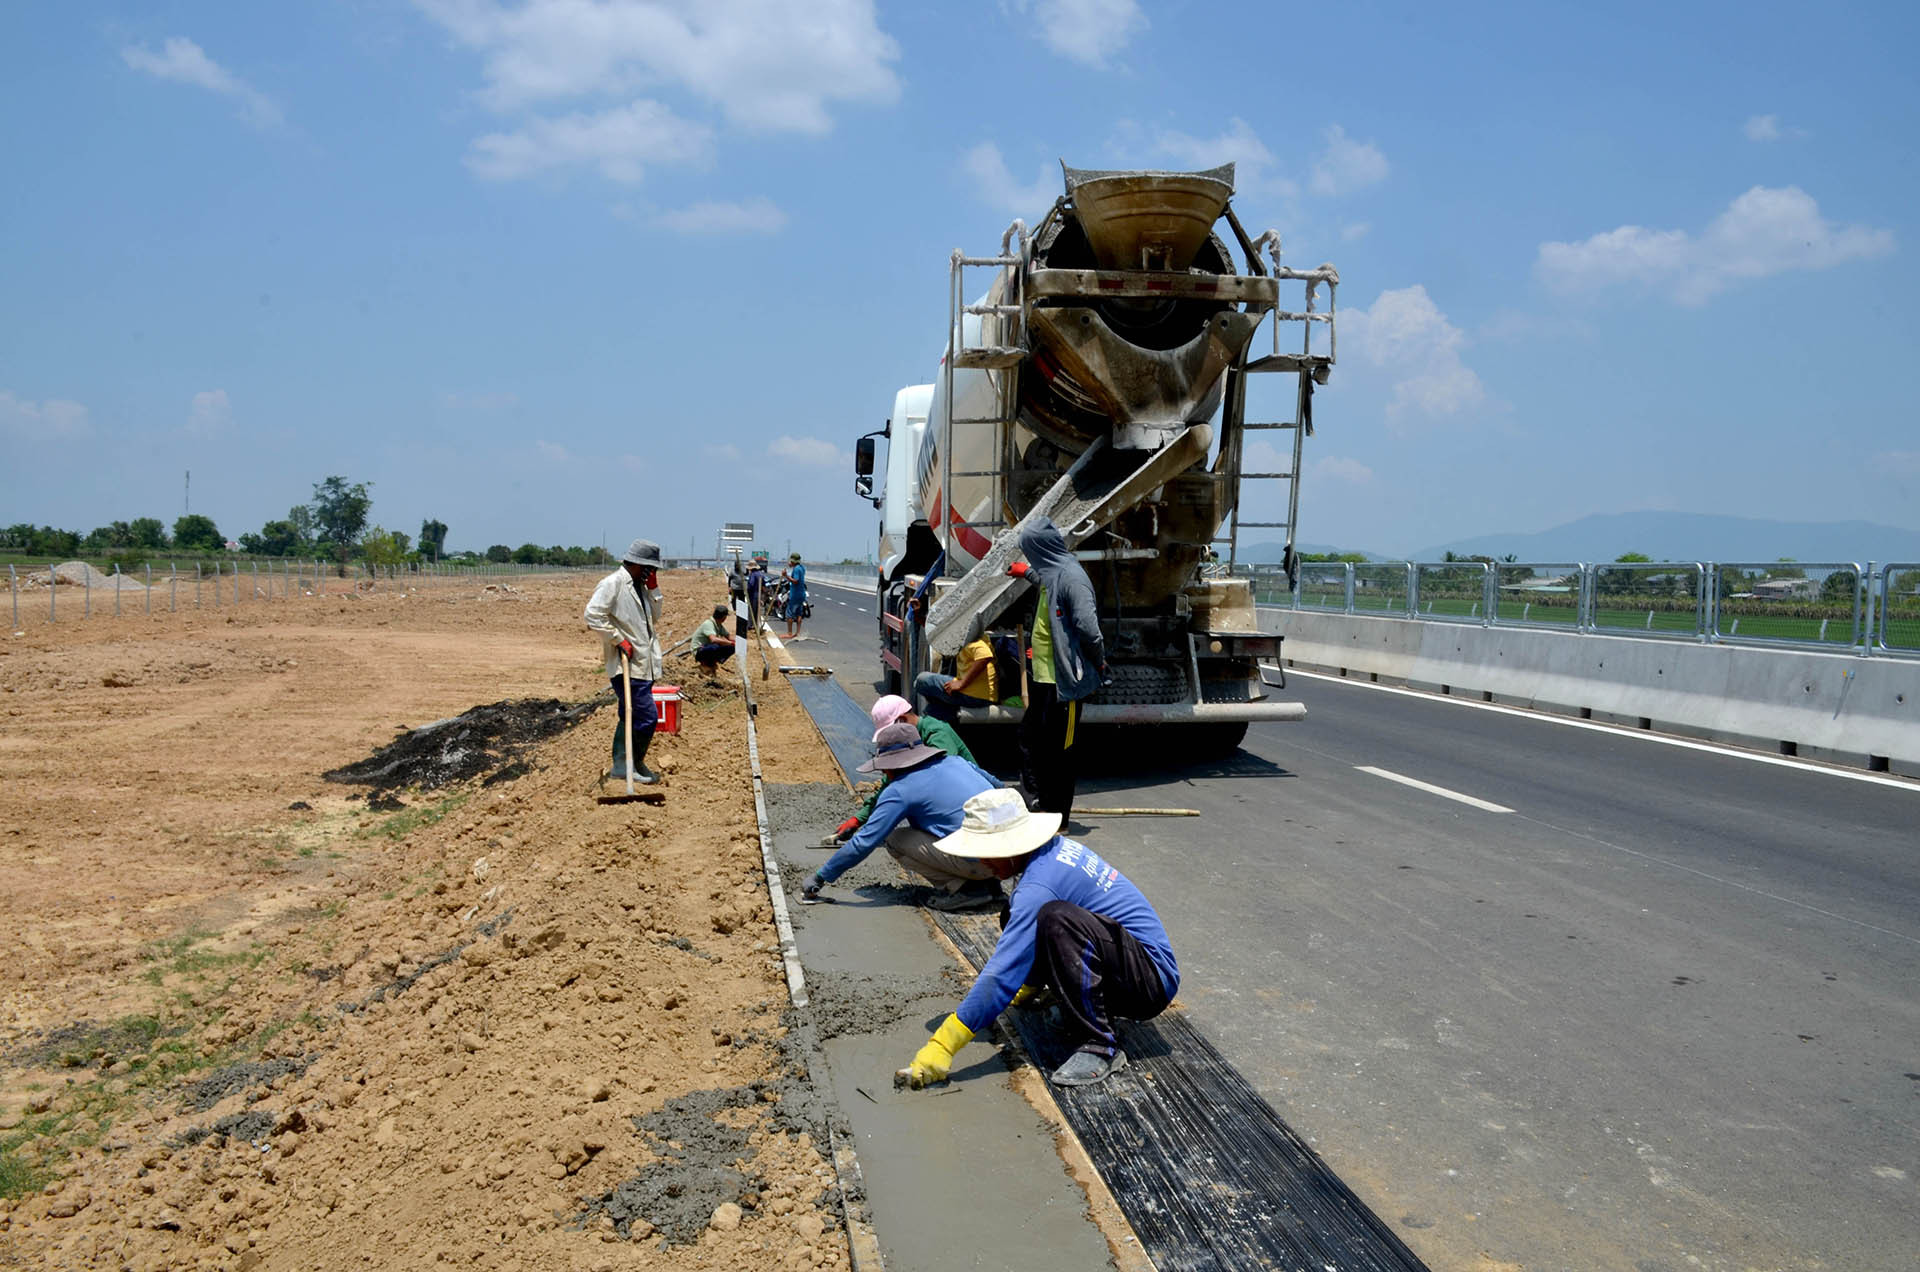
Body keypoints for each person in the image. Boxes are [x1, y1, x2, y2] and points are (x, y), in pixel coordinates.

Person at [900, 788, 1178, 1089]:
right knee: (1017, 915)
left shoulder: (1042, 885)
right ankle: (1067, 1003)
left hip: (1150, 981)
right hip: (1123, 961)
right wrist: (1028, 987)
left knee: (1056, 920)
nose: (981, 861)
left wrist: (944, 1044)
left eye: (987, 850)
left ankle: (1101, 1045)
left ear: (1012, 845)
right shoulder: (1050, 851)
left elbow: (1000, 974)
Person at [801, 722, 1003, 912]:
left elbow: (865, 842)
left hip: (982, 862)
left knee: (896, 839)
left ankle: (967, 889)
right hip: (1010, 854)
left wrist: (821, 877)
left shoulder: (901, 789)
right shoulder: (955, 761)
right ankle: (989, 885)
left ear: (891, 764)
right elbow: (998, 785)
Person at [1011, 516, 1108, 821]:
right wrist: (1025, 572)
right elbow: (1043, 582)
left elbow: (1088, 628)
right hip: (1043, 676)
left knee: (1061, 752)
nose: (1031, 559)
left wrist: (1099, 660)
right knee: (1031, 738)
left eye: (1032, 553)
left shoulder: (1072, 578)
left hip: (1064, 682)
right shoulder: (1051, 572)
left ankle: (1058, 818)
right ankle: (1038, 800)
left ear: (1044, 548)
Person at [828, 694, 976, 845]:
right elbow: (889, 782)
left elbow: (938, 780)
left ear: (903, 720)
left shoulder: (937, 734)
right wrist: (857, 819)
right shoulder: (907, 743)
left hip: (969, 810)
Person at [584, 538, 666, 784]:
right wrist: (618, 639)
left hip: (644, 664)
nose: (651, 573)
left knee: (628, 714)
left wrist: (654, 589)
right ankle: (632, 763)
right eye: (650, 570)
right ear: (640, 565)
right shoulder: (614, 583)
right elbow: (593, 614)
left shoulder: (640, 587)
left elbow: (656, 617)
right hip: (627, 665)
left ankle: (623, 763)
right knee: (648, 717)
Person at [912, 635, 1002, 723]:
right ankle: (937, 714)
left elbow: (985, 656)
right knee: (933, 710)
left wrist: (961, 683)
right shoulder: (972, 634)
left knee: (921, 680)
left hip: (974, 695)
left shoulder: (970, 637)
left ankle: (943, 713)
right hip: (982, 695)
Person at [689, 604, 736, 675]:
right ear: (723, 617)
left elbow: (728, 636)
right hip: (699, 651)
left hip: (706, 648)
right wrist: (729, 642)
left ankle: (712, 662)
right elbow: (713, 639)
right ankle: (705, 663)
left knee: (732, 647)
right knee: (715, 646)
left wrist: (738, 642)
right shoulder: (709, 624)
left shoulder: (718, 625)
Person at [781, 553, 808, 639]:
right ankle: (798, 633)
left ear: (793, 561)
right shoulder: (802, 568)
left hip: (795, 594)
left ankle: (789, 633)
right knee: (799, 613)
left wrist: (786, 576)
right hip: (802, 594)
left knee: (790, 614)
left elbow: (795, 581)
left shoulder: (796, 569)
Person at [745, 555, 768, 630]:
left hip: (753, 595)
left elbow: (751, 585)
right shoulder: (761, 574)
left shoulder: (753, 574)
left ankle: (750, 625)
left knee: (751, 610)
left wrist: (746, 591)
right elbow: (764, 585)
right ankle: (756, 625)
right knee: (757, 611)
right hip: (759, 594)